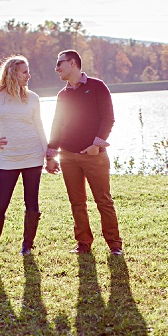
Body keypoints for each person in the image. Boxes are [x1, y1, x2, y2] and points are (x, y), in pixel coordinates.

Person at [0, 55, 49, 258]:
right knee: (1, 202)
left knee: (32, 202)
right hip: (9, 159)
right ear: (13, 73)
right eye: (25, 72)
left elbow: (39, 127)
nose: (29, 76)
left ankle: (27, 246)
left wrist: (47, 152)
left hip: (33, 156)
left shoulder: (33, 98)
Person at [46, 49, 121, 255]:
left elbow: (108, 118)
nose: (57, 68)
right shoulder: (63, 94)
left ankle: (114, 245)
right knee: (77, 203)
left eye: (60, 63)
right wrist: (51, 156)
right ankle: (83, 244)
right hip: (68, 156)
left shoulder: (97, 87)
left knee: (103, 200)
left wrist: (96, 144)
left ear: (72, 63)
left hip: (94, 155)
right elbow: (57, 124)